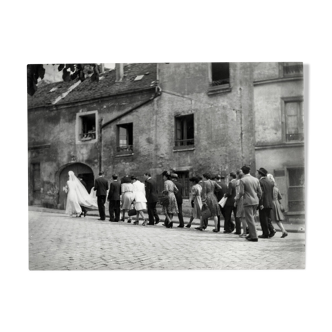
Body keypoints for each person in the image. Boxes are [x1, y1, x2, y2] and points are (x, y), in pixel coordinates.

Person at [239, 165, 262, 242]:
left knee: (250, 219)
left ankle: (254, 236)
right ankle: (252, 234)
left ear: (242, 171)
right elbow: (260, 192)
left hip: (248, 201)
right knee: (252, 218)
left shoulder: (242, 180)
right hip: (256, 201)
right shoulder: (256, 179)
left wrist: (237, 198)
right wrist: (258, 198)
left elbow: (241, 192)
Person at [267, 174, 288, 238]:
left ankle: (272, 230)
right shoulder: (276, 188)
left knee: (268, 218)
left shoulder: (269, 188)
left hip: (271, 203)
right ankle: (283, 230)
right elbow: (279, 197)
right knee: (277, 219)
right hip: (277, 203)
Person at [257, 167, 276, 239]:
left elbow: (261, 193)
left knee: (263, 219)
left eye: (258, 173)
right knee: (268, 218)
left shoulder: (260, 182)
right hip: (270, 202)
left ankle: (265, 233)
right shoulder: (270, 181)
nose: (257, 175)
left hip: (263, 203)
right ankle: (271, 230)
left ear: (260, 174)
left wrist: (261, 203)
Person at [235, 169, 248, 237]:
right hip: (247, 199)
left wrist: (236, 199)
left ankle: (245, 232)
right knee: (247, 217)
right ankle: (248, 230)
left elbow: (238, 192)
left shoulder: (238, 182)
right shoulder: (246, 180)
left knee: (242, 217)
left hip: (241, 200)